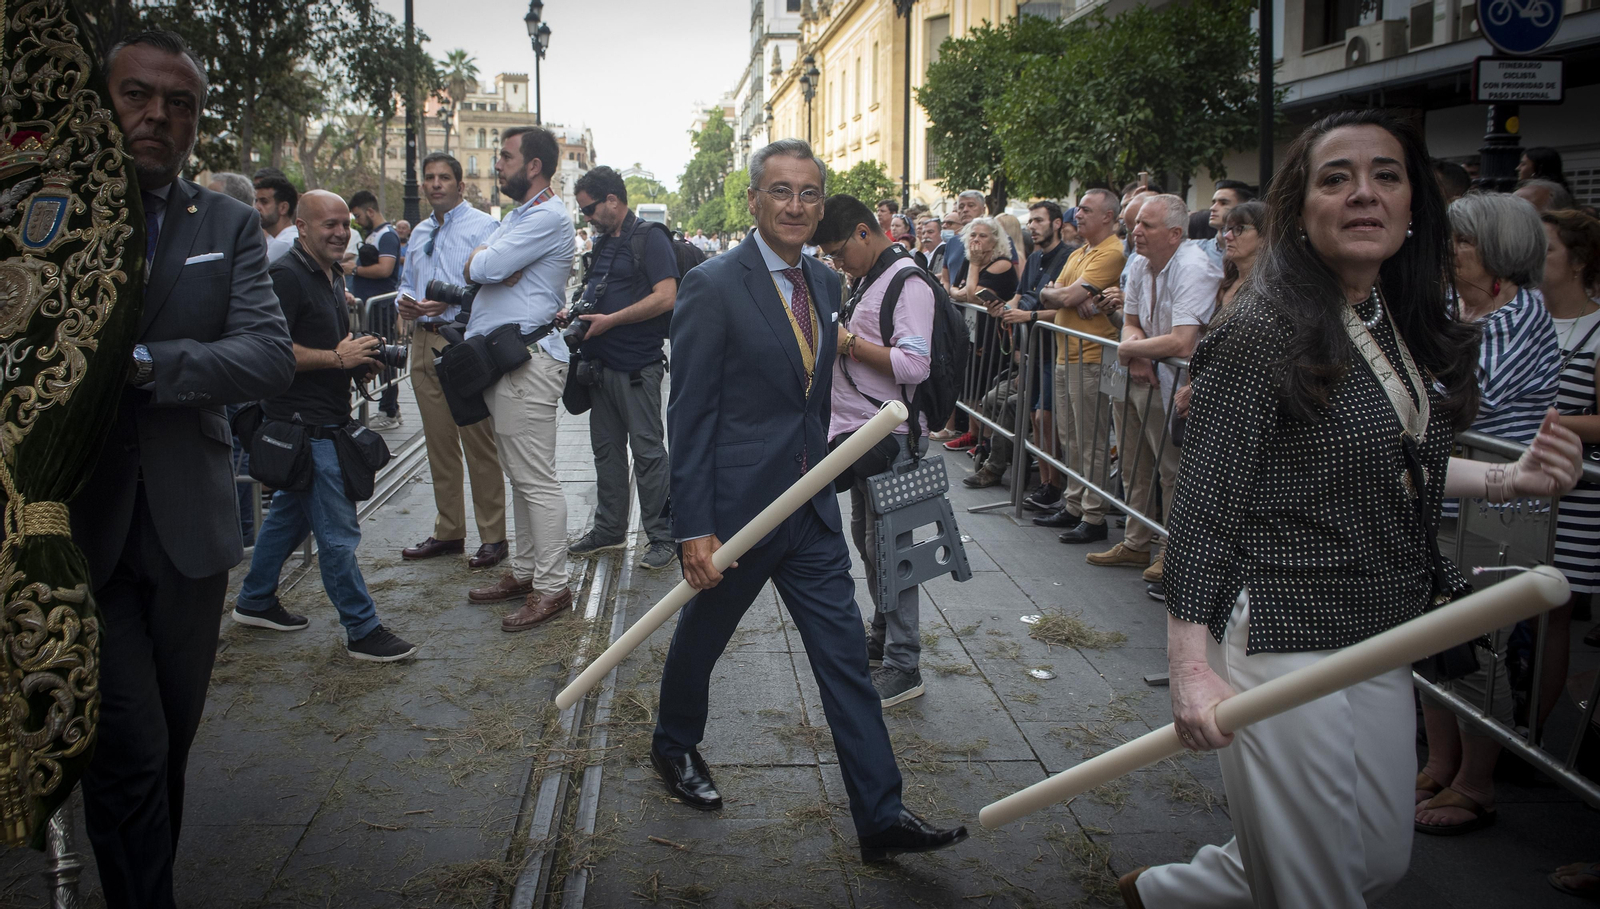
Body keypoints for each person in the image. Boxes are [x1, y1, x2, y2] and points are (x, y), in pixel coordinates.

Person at [1125, 108, 1584, 909]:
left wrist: (1517, 481)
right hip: (1281, 632)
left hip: (1380, 627)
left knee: (1376, 855)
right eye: (1336, 178)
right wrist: (1191, 669)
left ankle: (1171, 893)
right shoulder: (1258, 329)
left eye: (1386, 176)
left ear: (1414, 211)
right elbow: (1203, 509)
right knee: (1318, 888)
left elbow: (1405, 464)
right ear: (1302, 209)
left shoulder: (1390, 315)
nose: (1363, 193)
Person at [652, 138, 967, 863]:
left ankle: (880, 814)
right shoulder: (713, 285)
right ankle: (673, 746)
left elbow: (815, 398)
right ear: (755, 200)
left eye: (809, 193)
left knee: (844, 663)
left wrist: (849, 454)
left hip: (811, 507)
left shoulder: (827, 287)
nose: (796, 206)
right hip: (739, 515)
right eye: (781, 191)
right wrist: (692, 525)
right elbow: (690, 412)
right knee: (702, 638)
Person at [69, 29, 296, 908]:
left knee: (170, 735)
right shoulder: (40, 213)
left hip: (189, 529)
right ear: (103, 99)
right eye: (138, 95)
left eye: (181, 103)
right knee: (126, 740)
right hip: (77, 527)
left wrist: (145, 365)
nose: (158, 114)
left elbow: (265, 357)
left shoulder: (228, 224)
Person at [232, 190, 418, 661]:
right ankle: (362, 630)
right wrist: (338, 357)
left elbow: (320, 344)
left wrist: (353, 364)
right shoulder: (286, 277)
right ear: (301, 226)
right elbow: (269, 351)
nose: (339, 232)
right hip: (304, 428)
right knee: (338, 535)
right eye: (328, 225)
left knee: (289, 517)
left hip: (321, 421)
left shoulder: (330, 273)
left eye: (344, 224)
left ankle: (254, 600)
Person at [815, 194, 936, 707]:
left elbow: (914, 366)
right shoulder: (870, 277)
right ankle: (884, 636)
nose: (838, 264)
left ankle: (905, 663)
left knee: (893, 552)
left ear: (865, 233)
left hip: (891, 440)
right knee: (873, 546)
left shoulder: (906, 282)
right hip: (864, 439)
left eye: (841, 252)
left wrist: (845, 343)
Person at [463, 125, 576, 632]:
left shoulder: (547, 216)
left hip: (528, 364)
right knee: (522, 478)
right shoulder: (520, 215)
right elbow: (481, 263)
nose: (496, 165)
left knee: (536, 480)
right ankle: (528, 572)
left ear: (533, 165)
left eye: (505, 157)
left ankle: (552, 586)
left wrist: (487, 264)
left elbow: (491, 264)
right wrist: (483, 264)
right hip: (509, 363)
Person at [1092, 195, 1221, 586]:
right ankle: (1136, 541)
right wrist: (1138, 352)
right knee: (1133, 463)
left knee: (1172, 470)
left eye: (1146, 225)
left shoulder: (1195, 267)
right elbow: (1131, 321)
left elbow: (1183, 342)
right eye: (1136, 224)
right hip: (1140, 375)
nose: (1136, 232)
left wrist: (1131, 348)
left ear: (1175, 233)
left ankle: (1172, 549)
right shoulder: (1137, 262)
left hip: (1176, 386)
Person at [397, 152, 509, 570]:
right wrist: (406, 304)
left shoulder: (484, 226)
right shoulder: (421, 232)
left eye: (445, 177)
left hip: (461, 342)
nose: (436, 184)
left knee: (478, 441)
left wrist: (446, 301)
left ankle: (493, 537)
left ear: (460, 186)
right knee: (438, 443)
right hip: (423, 343)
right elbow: (405, 284)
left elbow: (495, 285)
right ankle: (449, 531)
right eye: (429, 178)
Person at [567, 165, 680, 572]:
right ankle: (609, 530)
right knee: (607, 454)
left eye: (590, 209)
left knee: (648, 454)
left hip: (636, 367)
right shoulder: (602, 243)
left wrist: (611, 320)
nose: (587, 217)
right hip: (599, 368)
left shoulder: (649, 238)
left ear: (612, 200)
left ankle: (663, 538)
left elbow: (667, 296)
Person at [1535, 208, 1600, 743]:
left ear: (1577, 263)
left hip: (1575, 496)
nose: (1537, 261)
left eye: (1549, 251)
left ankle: (1530, 732)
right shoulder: (1525, 318)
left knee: (1551, 612)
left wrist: (1542, 420)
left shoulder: (1598, 328)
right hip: (1516, 486)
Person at [1031, 188, 1126, 544]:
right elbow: (1050, 291)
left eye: (1086, 209)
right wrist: (1065, 296)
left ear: (1108, 216)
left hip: (1090, 357)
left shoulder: (1112, 252)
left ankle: (1093, 512)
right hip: (1064, 353)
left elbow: (1065, 296)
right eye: (1078, 208)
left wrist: (1067, 296)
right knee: (1071, 436)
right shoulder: (1079, 252)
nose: (1078, 214)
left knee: (1091, 439)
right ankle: (1074, 504)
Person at [999, 201, 1073, 511]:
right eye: (1031, 220)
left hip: (1055, 350)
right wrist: (1005, 309)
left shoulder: (1068, 257)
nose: (1033, 225)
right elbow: (1019, 296)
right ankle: (1045, 484)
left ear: (1057, 223)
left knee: (1046, 418)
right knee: (1033, 416)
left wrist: (1028, 318)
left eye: (1039, 220)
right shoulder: (1033, 260)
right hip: (1032, 348)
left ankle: (1055, 484)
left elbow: (1065, 309)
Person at [951, 216, 1018, 468]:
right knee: (970, 387)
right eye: (973, 235)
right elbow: (954, 290)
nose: (976, 240)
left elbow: (971, 294)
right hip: (974, 331)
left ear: (995, 239)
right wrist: (969, 280)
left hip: (994, 335)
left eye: (982, 236)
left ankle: (986, 442)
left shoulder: (1000, 264)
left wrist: (974, 269)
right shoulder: (972, 263)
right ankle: (978, 438)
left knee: (984, 388)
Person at [348, 189, 403, 429]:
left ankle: (389, 410)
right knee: (375, 356)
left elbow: (385, 269)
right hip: (370, 308)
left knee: (383, 357)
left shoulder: (387, 236)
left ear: (370, 211)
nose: (357, 221)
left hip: (380, 308)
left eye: (358, 216)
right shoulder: (374, 235)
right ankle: (389, 409)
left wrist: (353, 269)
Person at [1193, 180, 1254, 267]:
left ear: (1243, 207)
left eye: (1223, 203)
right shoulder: (1197, 250)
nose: (1212, 208)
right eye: (1214, 202)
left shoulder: (1256, 253)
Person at [254, 171, 299, 262]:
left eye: (264, 202)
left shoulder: (283, 243)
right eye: (256, 201)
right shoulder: (278, 238)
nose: (256, 207)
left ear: (283, 208)